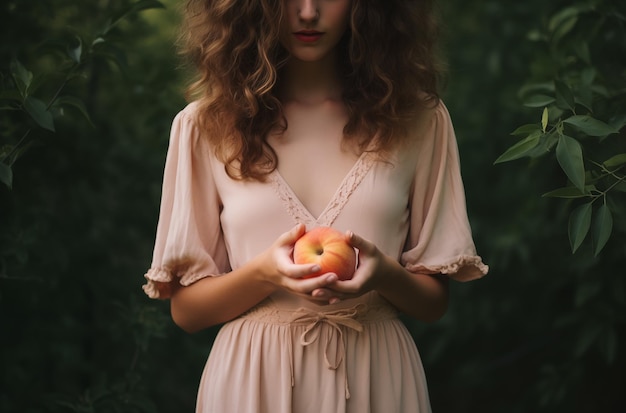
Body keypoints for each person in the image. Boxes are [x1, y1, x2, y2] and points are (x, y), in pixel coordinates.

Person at [143, 0, 488, 412]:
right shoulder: (206, 127)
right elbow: (187, 312)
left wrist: (383, 274)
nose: (308, 12)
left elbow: (434, 303)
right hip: (254, 384)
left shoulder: (418, 121)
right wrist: (265, 273)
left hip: (376, 378)